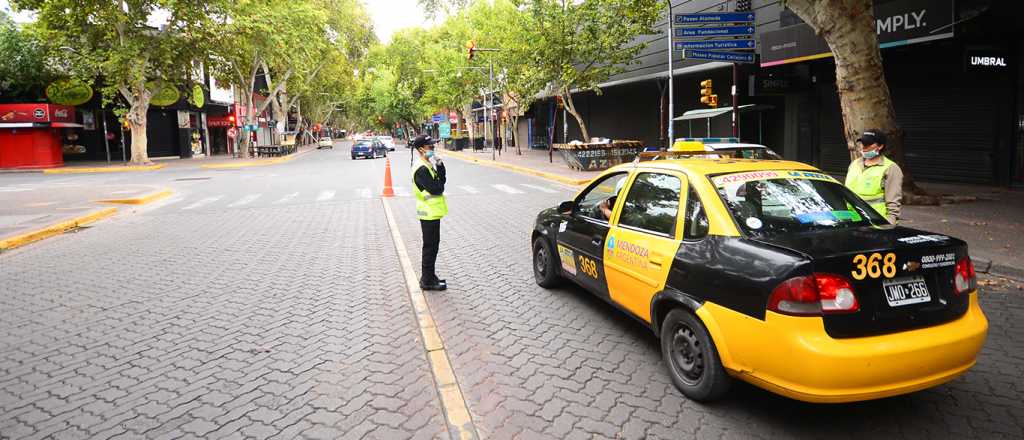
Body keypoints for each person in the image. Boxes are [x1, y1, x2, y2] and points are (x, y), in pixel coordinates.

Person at [411, 134, 449, 291]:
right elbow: (437, 187)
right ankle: (426, 280)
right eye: (430, 147)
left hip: (433, 212)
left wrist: (439, 164)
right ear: (421, 149)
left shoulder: (427, 164)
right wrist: (439, 183)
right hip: (428, 213)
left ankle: (430, 276)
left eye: (433, 146)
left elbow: (442, 181)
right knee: (430, 247)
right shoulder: (420, 168)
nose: (433, 149)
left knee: (433, 246)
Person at [845, 129, 903, 224]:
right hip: (851, 219)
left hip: (875, 221)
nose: (863, 147)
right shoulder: (855, 164)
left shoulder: (890, 168)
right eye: (862, 143)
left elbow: (893, 203)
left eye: (868, 144)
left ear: (880, 146)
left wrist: (890, 223)